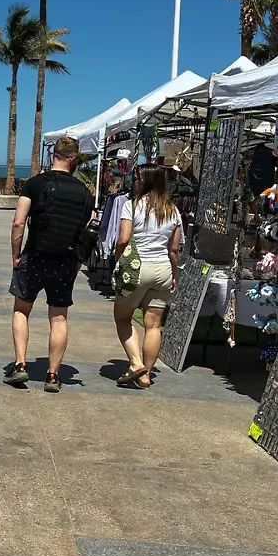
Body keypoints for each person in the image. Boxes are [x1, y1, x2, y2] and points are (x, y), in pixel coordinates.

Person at [6, 137, 93, 393]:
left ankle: (20, 365)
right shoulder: (84, 192)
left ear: (53, 155)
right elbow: (87, 231)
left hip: (35, 256)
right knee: (58, 318)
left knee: (22, 310)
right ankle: (53, 375)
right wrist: (78, 262)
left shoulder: (34, 184)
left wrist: (16, 255)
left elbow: (18, 223)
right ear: (74, 159)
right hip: (65, 260)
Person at [113, 164, 182, 389]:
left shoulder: (132, 207)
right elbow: (174, 249)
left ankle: (135, 363)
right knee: (153, 325)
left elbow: (123, 239)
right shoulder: (173, 210)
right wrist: (175, 274)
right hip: (162, 269)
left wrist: (117, 260)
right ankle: (146, 376)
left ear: (146, 182)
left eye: (137, 179)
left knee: (123, 318)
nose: (134, 183)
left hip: (137, 268)